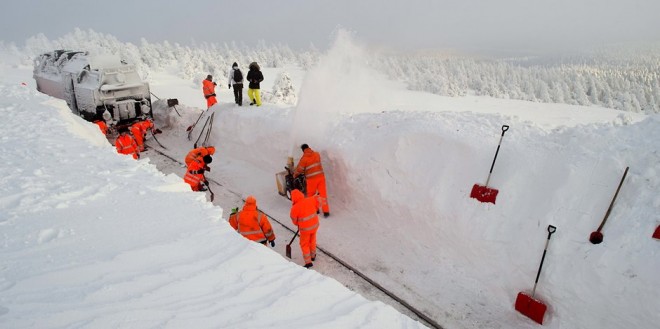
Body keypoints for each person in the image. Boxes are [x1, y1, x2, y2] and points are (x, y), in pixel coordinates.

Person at [294, 144, 330, 217]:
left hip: (311, 180)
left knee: (311, 195)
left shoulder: (304, 159)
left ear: (303, 150)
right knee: (323, 194)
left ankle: (315, 210)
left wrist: (294, 175)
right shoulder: (317, 154)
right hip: (321, 177)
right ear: (309, 147)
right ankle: (326, 212)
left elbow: (299, 169)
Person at [290, 189, 320, 268]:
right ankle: (313, 256)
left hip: (305, 230)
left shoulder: (294, 208)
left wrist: (299, 224)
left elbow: (294, 221)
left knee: (304, 244)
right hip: (315, 226)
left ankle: (308, 262)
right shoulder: (310, 200)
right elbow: (317, 202)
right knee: (312, 240)